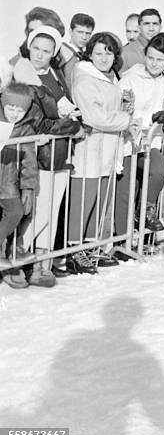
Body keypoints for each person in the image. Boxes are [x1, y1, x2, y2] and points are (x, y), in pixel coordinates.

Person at [13, 25, 82, 282]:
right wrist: (71, 126)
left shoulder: (55, 74)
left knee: (51, 210)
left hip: (59, 151)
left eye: (46, 50)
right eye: (36, 49)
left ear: (54, 53)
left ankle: (43, 264)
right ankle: (16, 265)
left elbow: (62, 108)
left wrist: (71, 119)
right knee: (35, 211)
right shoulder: (23, 77)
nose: (40, 55)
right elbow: (33, 121)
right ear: (28, 47)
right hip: (36, 153)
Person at [69, 33, 133, 272]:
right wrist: (126, 119)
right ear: (89, 55)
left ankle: (91, 247)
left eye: (109, 52)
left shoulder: (111, 77)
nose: (104, 57)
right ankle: (75, 251)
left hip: (107, 149)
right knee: (84, 199)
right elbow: (95, 116)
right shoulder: (85, 79)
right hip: (89, 148)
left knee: (99, 200)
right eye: (99, 52)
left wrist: (125, 108)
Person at [116, 33, 164, 237]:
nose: (154, 63)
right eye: (151, 58)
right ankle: (122, 239)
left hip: (150, 143)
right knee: (127, 191)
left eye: (160, 60)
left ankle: (145, 211)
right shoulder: (130, 79)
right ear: (145, 56)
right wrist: (149, 117)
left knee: (159, 171)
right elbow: (124, 110)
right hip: (128, 142)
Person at [0, 83, 38, 289]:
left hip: (8, 183)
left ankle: (10, 250)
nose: (15, 113)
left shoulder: (26, 128)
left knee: (17, 212)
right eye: (10, 108)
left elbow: (29, 162)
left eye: (20, 109)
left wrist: (28, 187)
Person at [59, 13, 95, 89]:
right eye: (80, 32)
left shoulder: (87, 56)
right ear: (70, 31)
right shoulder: (62, 52)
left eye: (88, 33)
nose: (84, 37)